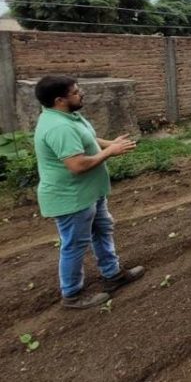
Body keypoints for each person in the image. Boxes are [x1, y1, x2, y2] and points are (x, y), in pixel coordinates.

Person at [33, 76, 145, 309]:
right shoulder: (58, 127)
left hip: (89, 194)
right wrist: (110, 152)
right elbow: (77, 165)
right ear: (59, 100)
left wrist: (108, 143)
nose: (81, 93)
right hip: (72, 199)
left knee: (103, 230)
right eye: (75, 92)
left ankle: (112, 274)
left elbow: (86, 139)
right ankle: (72, 294)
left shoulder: (67, 116)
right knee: (74, 245)